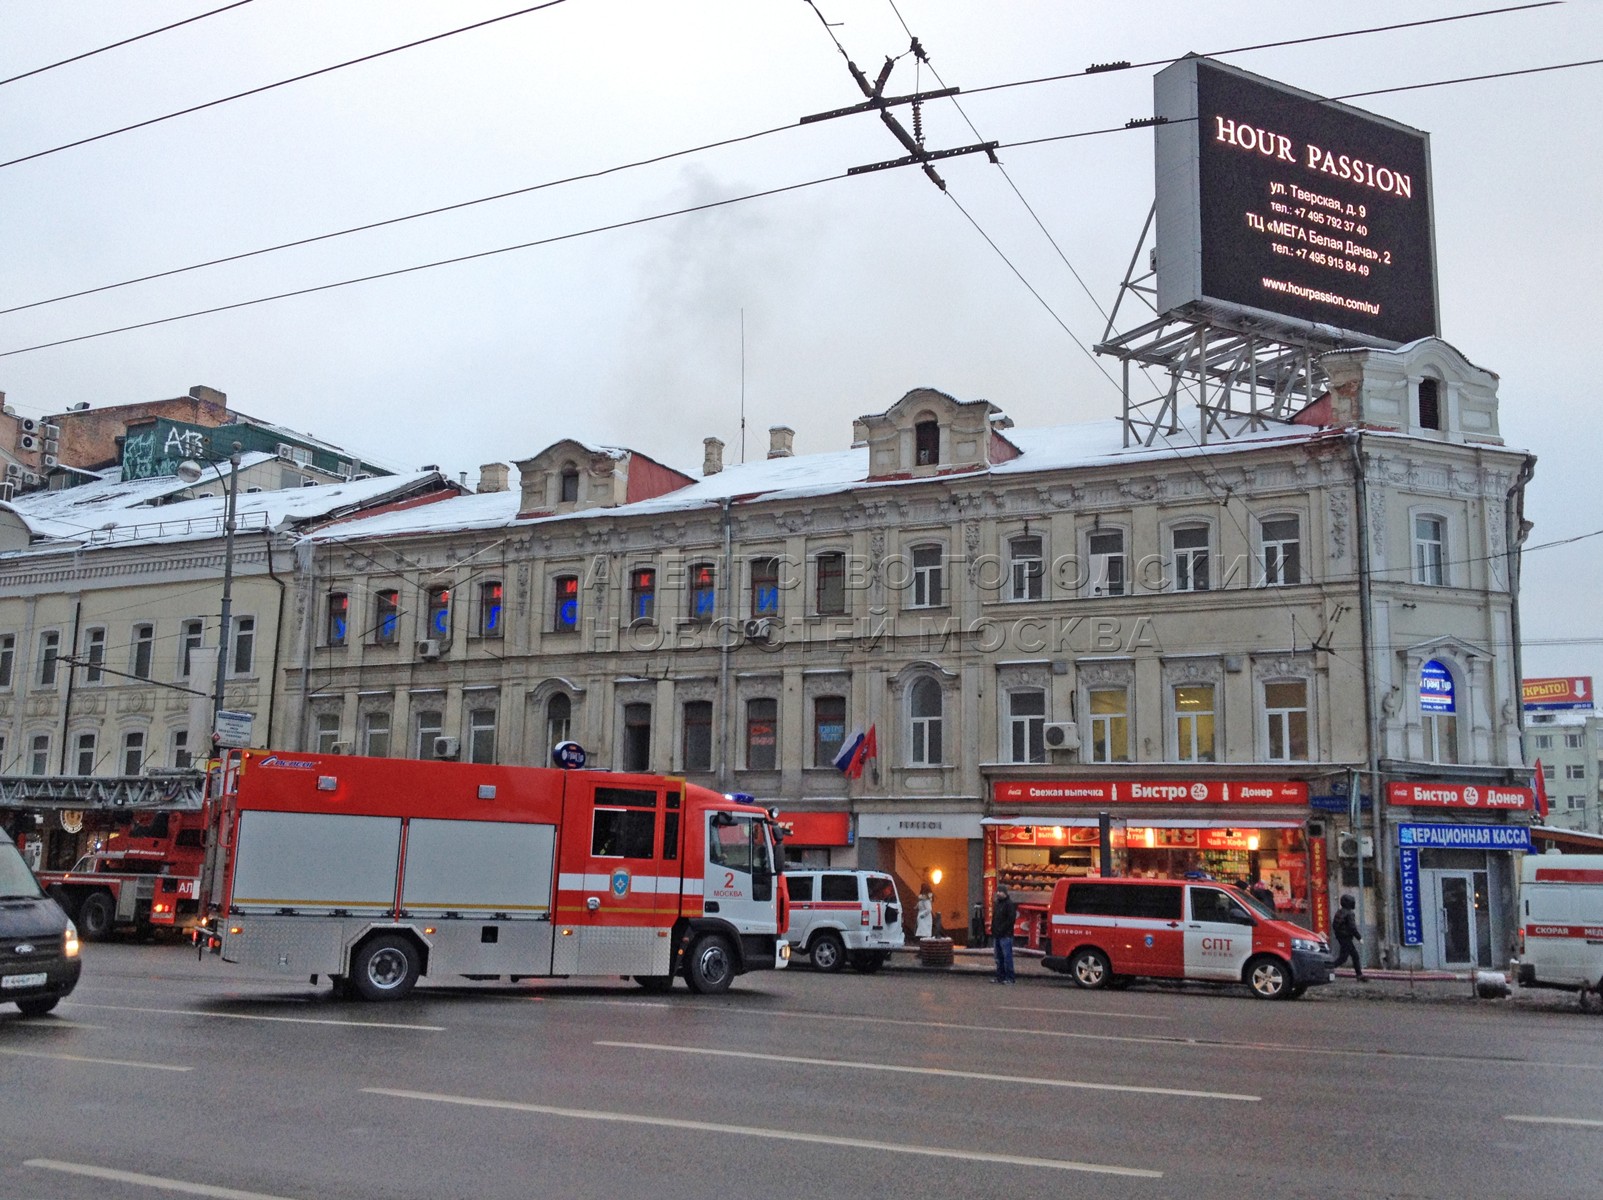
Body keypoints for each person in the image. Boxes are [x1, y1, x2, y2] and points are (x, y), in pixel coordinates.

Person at [1330, 894, 1366, 981]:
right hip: (1346, 938)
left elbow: (1335, 925)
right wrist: (1359, 938)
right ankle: (1359, 975)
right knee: (1354, 956)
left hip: (1341, 937)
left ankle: (1328, 969)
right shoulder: (1350, 913)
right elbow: (1352, 927)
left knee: (1343, 958)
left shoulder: (1339, 912)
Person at [991, 886, 1017, 984]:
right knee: (998, 958)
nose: (998, 893)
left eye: (1000, 892)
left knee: (1007, 957)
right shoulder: (997, 904)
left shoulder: (1009, 904)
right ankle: (1000, 977)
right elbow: (995, 918)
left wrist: (1001, 929)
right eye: (997, 891)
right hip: (997, 935)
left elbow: (1011, 920)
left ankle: (1010, 978)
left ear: (1005, 893)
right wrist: (993, 930)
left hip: (1006, 935)